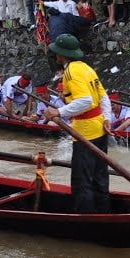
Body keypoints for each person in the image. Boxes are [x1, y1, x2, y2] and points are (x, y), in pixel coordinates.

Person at [41, 34, 111, 213]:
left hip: (85, 131)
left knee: (82, 180)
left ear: (61, 55)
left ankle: (85, 217)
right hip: (100, 127)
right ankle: (103, 211)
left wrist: (58, 112)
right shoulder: (86, 68)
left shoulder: (71, 71)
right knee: (100, 176)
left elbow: (85, 101)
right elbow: (103, 96)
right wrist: (108, 118)